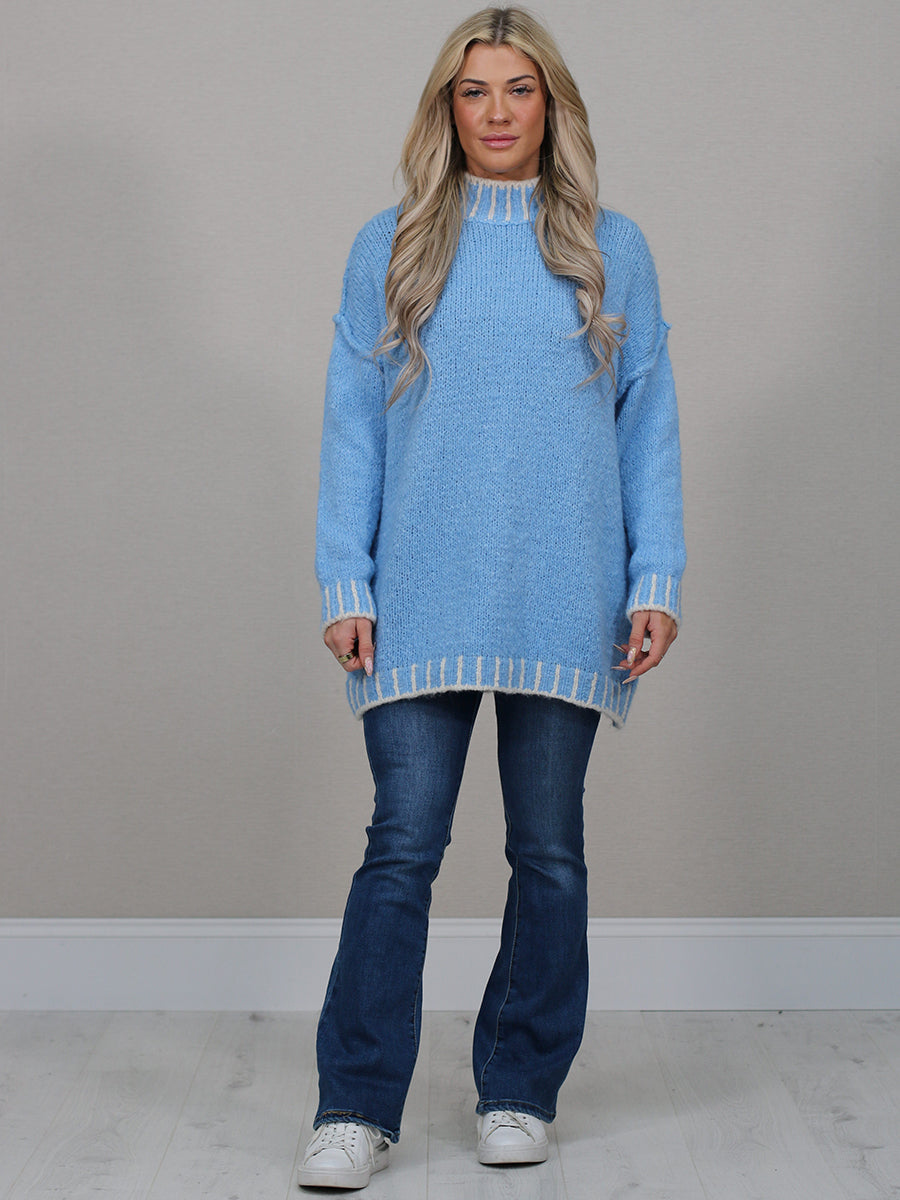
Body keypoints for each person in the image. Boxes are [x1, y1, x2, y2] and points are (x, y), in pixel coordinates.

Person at [301, 6, 685, 1189]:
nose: (499, 111)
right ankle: (355, 1106)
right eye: (475, 92)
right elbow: (352, 423)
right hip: (420, 587)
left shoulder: (612, 249)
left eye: (520, 89)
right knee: (402, 845)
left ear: (552, 106)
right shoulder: (394, 245)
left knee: (550, 851)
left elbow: (649, 425)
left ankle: (519, 1089)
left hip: (565, 590)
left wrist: (657, 576)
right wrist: (345, 576)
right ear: (447, 109)